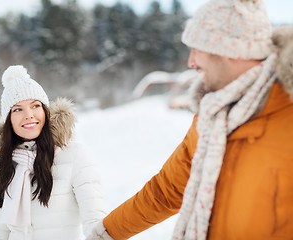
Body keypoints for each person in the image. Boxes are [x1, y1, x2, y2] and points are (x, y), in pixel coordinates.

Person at [87, 0, 293, 239]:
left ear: (232, 50)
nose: (191, 62)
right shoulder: (212, 118)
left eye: (198, 48)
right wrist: (107, 232)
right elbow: (167, 191)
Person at [0, 65, 106, 240]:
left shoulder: (75, 155)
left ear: (45, 111)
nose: (29, 115)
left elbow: (95, 220)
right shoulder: (3, 162)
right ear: (8, 120)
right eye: (18, 109)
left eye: (35, 106)